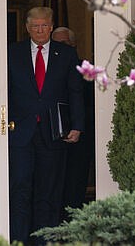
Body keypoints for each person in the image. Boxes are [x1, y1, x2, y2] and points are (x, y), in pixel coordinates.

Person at [8, 8, 85, 245]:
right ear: (27, 28)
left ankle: (44, 241)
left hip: (54, 133)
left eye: (44, 26)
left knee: (49, 193)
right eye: (35, 26)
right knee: (20, 190)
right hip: (20, 133)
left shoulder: (67, 54)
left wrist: (77, 125)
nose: (40, 30)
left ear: (51, 27)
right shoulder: (13, 52)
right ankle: (19, 240)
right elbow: (5, 92)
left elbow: (75, 91)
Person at [51, 27, 95, 220]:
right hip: (51, 138)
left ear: (74, 46)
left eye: (65, 44)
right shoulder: (44, 69)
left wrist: (77, 124)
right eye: (57, 44)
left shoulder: (87, 70)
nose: (61, 49)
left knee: (76, 183)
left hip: (80, 139)